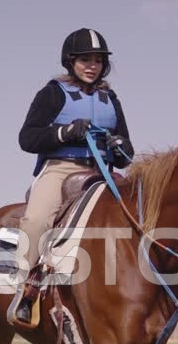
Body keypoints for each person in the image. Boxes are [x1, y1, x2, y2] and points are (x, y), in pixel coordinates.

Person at [11, 27, 135, 324]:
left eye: (98, 60)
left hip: (103, 173)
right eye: (85, 60)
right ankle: (25, 289)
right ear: (70, 62)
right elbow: (27, 139)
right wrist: (65, 132)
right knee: (37, 219)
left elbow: (127, 152)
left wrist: (119, 147)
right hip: (62, 169)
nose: (92, 66)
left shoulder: (111, 98)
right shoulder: (53, 93)